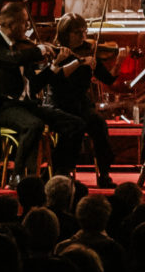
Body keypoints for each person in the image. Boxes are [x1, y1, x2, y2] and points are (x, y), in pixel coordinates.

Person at [0, 0, 75, 188]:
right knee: (34, 125)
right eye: (23, 22)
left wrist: (54, 66)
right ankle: (18, 175)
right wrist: (37, 50)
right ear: (10, 24)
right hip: (5, 107)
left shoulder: (22, 46)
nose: (27, 26)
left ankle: (56, 173)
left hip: (27, 105)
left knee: (73, 123)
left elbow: (34, 85)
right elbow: (12, 60)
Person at [44, 13, 116, 186]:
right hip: (59, 103)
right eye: (77, 32)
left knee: (98, 123)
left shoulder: (89, 51)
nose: (83, 36)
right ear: (65, 34)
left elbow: (108, 79)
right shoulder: (56, 53)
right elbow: (55, 82)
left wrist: (118, 60)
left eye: (85, 31)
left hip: (80, 103)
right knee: (75, 124)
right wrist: (77, 62)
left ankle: (104, 173)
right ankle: (62, 171)